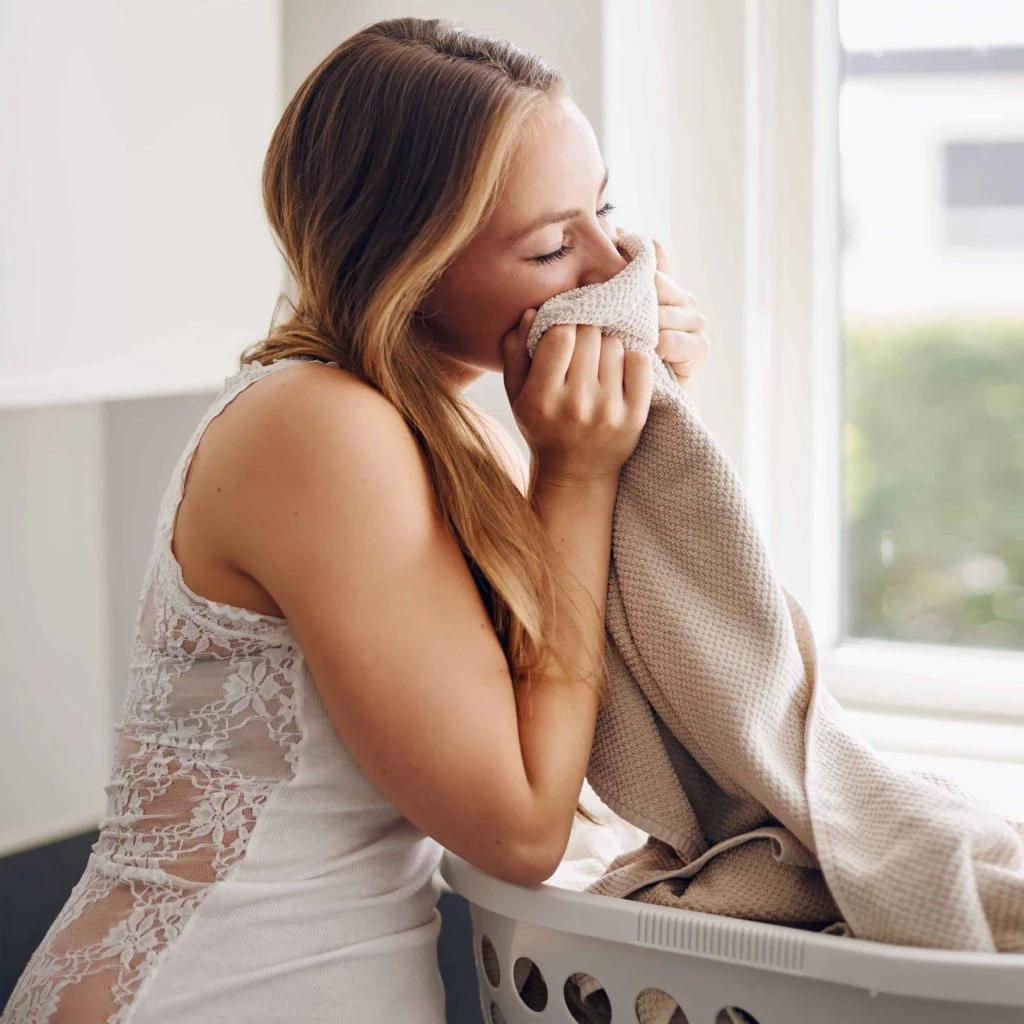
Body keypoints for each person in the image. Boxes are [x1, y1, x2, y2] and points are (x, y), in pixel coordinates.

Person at [2, 16, 709, 1024]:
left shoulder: (454, 420)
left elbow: (599, 675)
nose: (611, 266)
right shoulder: (319, 428)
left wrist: (655, 422)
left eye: (606, 212)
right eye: (553, 244)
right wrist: (579, 471)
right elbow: (516, 826)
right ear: (411, 267)